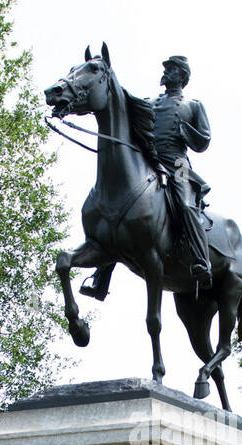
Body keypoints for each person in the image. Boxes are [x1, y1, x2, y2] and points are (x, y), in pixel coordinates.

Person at [81, 55, 213, 299]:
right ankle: (101, 277)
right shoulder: (149, 102)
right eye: (166, 69)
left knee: (186, 204)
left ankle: (200, 260)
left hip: (178, 162)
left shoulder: (193, 105)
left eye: (172, 69)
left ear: (182, 76)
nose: (166, 72)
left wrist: (185, 131)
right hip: (149, 159)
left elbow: (203, 141)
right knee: (118, 206)